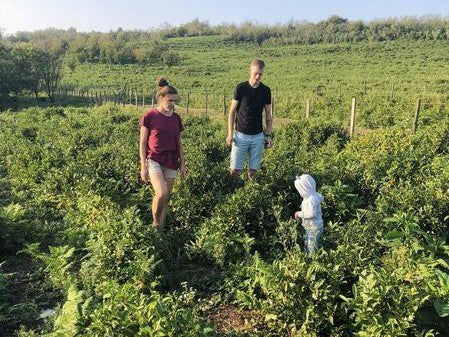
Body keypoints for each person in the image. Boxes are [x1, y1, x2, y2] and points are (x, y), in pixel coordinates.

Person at [139, 77, 186, 229]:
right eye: (170, 101)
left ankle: (160, 233)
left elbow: (179, 142)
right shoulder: (149, 116)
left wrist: (183, 165)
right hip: (154, 159)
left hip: (172, 160)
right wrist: (143, 166)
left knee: (166, 199)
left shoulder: (176, 118)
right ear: (161, 98)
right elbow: (142, 142)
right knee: (161, 192)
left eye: (174, 101)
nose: (172, 104)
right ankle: (155, 223)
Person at [226, 59, 273, 180]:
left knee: (253, 173)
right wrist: (230, 134)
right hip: (240, 135)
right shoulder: (241, 88)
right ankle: (232, 194)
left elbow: (268, 116)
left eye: (260, 74)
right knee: (234, 171)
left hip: (258, 137)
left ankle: (252, 194)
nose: (257, 77)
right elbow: (231, 113)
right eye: (255, 73)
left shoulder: (266, 91)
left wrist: (268, 135)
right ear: (250, 70)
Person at [294, 174, 324, 254]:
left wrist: (299, 214)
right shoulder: (314, 195)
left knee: (311, 244)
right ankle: (318, 252)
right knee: (314, 241)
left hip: (313, 227)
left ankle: (312, 258)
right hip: (317, 224)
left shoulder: (310, 200)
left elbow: (311, 214)